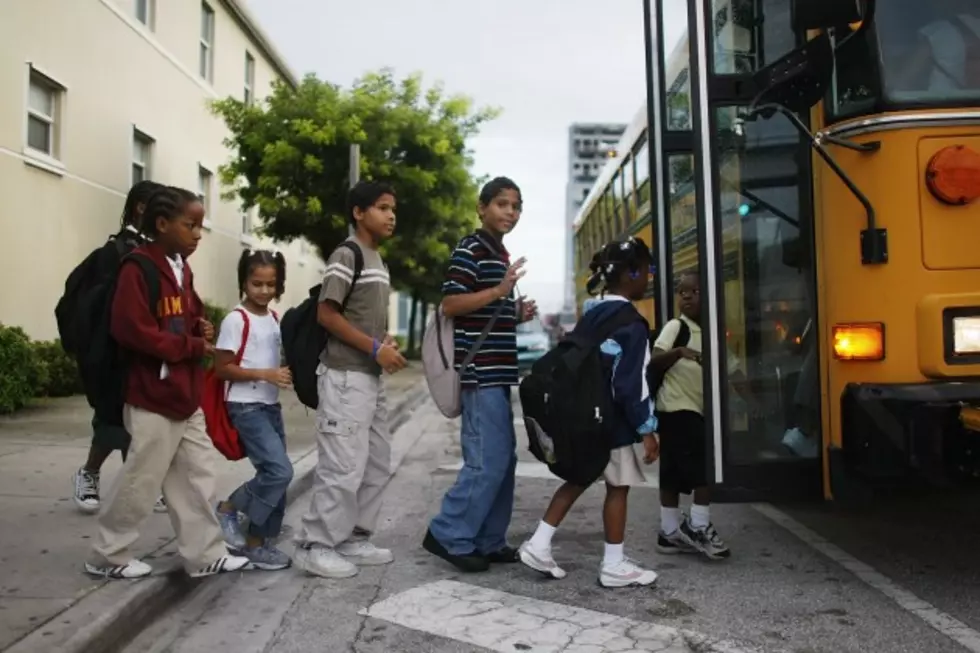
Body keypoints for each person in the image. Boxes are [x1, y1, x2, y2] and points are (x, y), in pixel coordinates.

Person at [85, 186, 249, 579]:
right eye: (190, 225)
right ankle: (108, 556)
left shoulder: (181, 268)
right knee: (141, 480)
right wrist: (189, 345)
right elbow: (131, 329)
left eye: (200, 226)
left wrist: (199, 325)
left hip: (183, 393)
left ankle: (205, 554)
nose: (197, 234)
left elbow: (184, 313)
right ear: (162, 224)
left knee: (196, 475)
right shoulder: (137, 267)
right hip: (152, 394)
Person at [518, 237, 660, 588]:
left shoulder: (593, 313)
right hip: (611, 422)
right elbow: (631, 385)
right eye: (647, 271)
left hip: (583, 413)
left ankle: (539, 543)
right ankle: (613, 564)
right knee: (619, 487)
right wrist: (648, 428)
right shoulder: (632, 323)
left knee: (579, 478)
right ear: (631, 274)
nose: (649, 278)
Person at [293, 180, 407, 579]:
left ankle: (354, 537)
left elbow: (363, 318)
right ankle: (315, 544)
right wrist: (375, 349)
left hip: (369, 378)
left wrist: (384, 342)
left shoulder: (379, 260)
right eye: (382, 207)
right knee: (342, 465)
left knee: (376, 463)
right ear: (359, 213)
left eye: (393, 208)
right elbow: (328, 314)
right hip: (344, 378)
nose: (391, 215)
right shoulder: (348, 253)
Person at [423, 176, 537, 573]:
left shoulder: (497, 253)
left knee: (503, 460)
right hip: (480, 374)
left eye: (516, 206)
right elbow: (452, 303)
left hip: (500, 373)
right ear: (482, 207)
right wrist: (499, 292)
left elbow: (487, 313)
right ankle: (449, 532)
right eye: (503, 204)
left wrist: (516, 313)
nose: (510, 212)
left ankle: (488, 539)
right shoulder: (470, 249)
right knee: (486, 460)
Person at [72, 180, 169, 516]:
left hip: (147, 351)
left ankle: (140, 484)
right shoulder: (117, 253)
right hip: (115, 352)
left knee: (142, 424)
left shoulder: (159, 253)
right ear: (142, 208)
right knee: (112, 420)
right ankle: (90, 473)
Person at [213, 249, 293, 571]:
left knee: (275, 476)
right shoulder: (235, 320)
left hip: (270, 405)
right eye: (256, 283)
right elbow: (222, 368)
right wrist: (265, 374)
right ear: (244, 282)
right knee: (280, 471)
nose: (263, 291)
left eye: (270, 284)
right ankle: (229, 508)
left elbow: (274, 360)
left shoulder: (274, 319)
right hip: (245, 406)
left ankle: (258, 544)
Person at [650, 271, 732, 560]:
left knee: (672, 474)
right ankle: (698, 525)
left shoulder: (712, 330)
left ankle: (669, 533)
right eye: (681, 292)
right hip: (676, 407)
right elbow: (655, 358)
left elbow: (732, 369)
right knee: (704, 470)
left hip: (691, 409)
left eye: (693, 291)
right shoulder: (676, 327)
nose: (685, 296)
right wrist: (679, 352)